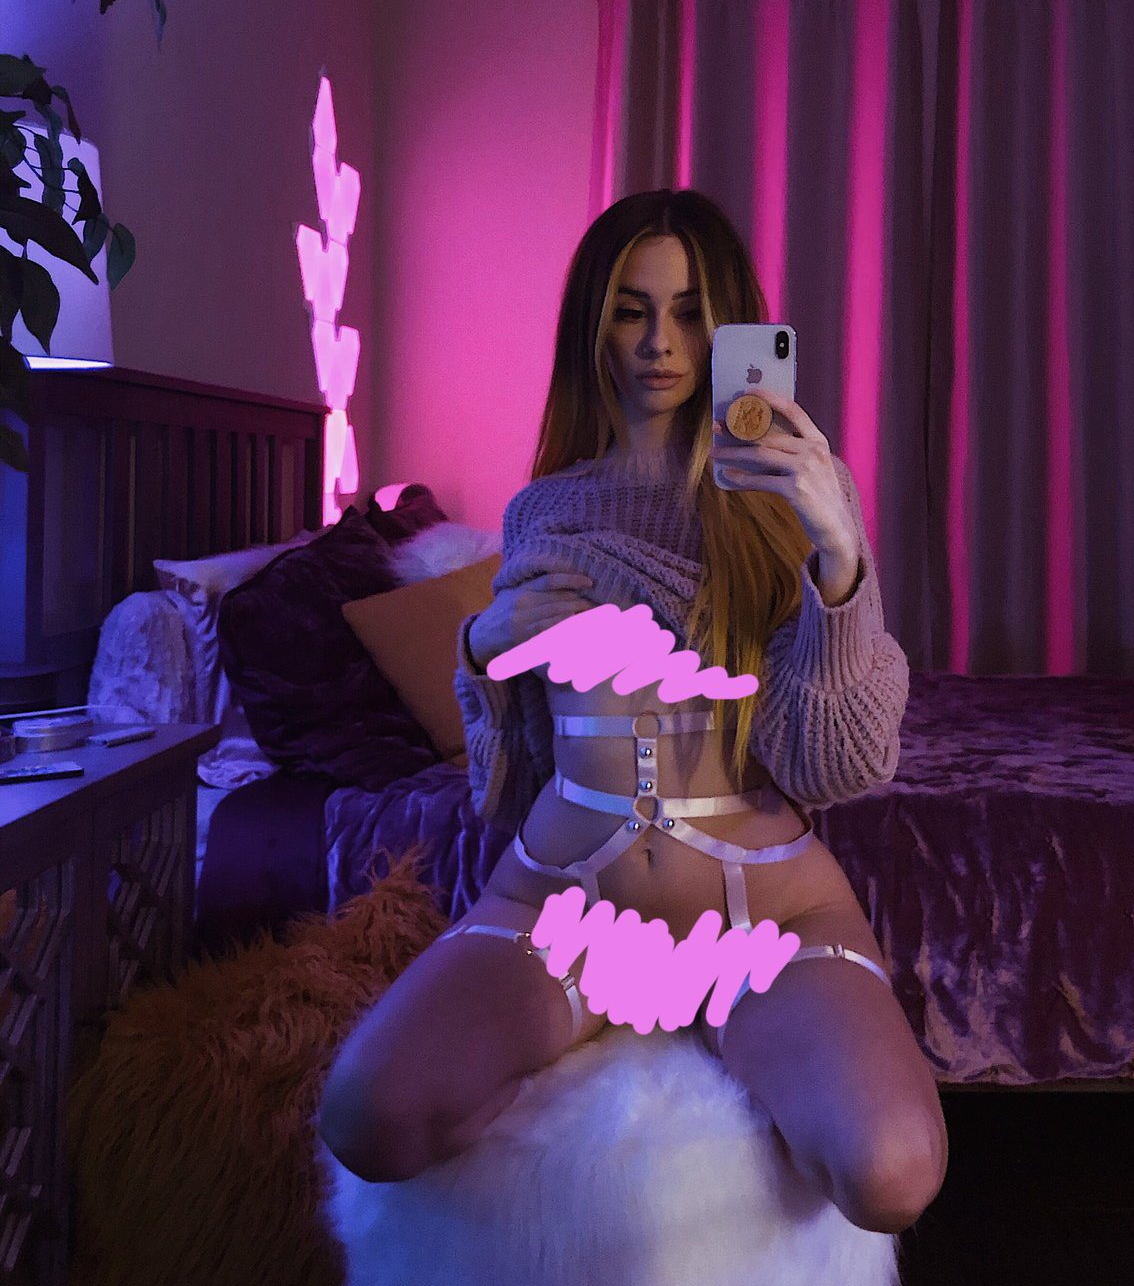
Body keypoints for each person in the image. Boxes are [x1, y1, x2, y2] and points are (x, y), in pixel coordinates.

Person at [319, 189, 948, 1235]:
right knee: (365, 1117)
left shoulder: (792, 494)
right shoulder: (543, 510)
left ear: (730, 325)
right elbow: (508, 777)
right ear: (593, 325)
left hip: (764, 908)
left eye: (692, 312)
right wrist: (479, 648)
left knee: (892, 1172)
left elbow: (834, 761)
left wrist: (837, 554)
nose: (660, 342)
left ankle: (733, 1024)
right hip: (567, 896)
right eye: (631, 310)